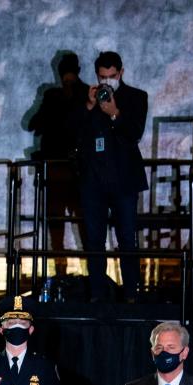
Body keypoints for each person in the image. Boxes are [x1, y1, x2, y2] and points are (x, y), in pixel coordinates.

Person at [72, 51, 149, 302]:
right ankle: (97, 295)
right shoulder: (86, 98)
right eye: (103, 76)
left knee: (127, 239)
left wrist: (115, 113)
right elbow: (70, 132)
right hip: (92, 182)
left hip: (124, 181)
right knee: (94, 241)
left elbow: (134, 133)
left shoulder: (136, 97)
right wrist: (89, 106)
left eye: (112, 76)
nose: (108, 81)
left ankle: (131, 294)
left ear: (121, 73)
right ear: (97, 75)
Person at [26, 53, 89, 276]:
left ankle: (86, 275)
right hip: (62, 170)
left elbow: (34, 124)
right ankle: (68, 274)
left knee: (80, 228)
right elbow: (34, 124)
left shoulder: (83, 94)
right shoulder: (56, 95)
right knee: (62, 229)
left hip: (75, 171)